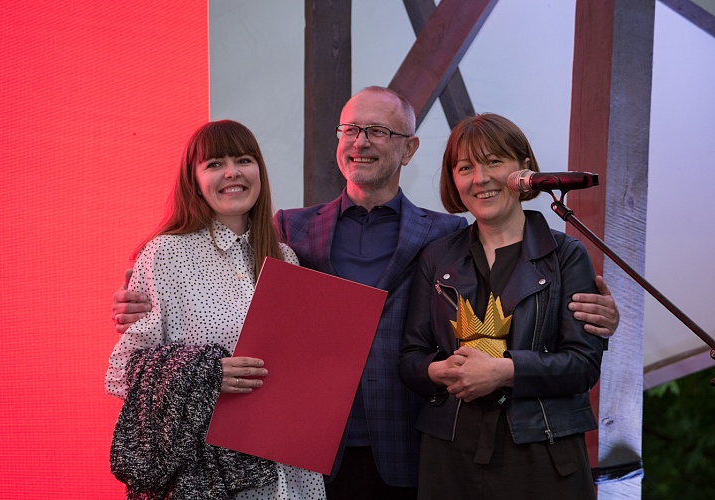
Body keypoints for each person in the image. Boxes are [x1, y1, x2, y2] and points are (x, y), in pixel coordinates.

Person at [112, 87, 620, 499]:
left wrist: (601, 316)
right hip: (305, 450)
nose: (362, 141)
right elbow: (226, 291)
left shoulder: (446, 237)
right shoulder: (288, 232)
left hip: (411, 445)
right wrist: (140, 298)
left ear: (409, 149)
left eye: (379, 131)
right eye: (351, 130)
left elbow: (514, 305)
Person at [105, 120, 326, 499]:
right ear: (194, 180)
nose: (231, 172)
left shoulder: (285, 258)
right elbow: (123, 374)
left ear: (259, 171)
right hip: (206, 473)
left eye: (243, 160)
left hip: (286, 466)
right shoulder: (165, 254)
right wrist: (205, 375)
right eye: (214, 164)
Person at [400, 113, 606, 499]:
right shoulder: (436, 257)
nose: (480, 178)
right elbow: (410, 357)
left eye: (494, 161)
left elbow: (583, 366)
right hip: (450, 457)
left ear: (524, 168)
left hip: (544, 453)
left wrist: (504, 371)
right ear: (453, 179)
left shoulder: (565, 255)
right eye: (465, 167)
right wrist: (437, 370)